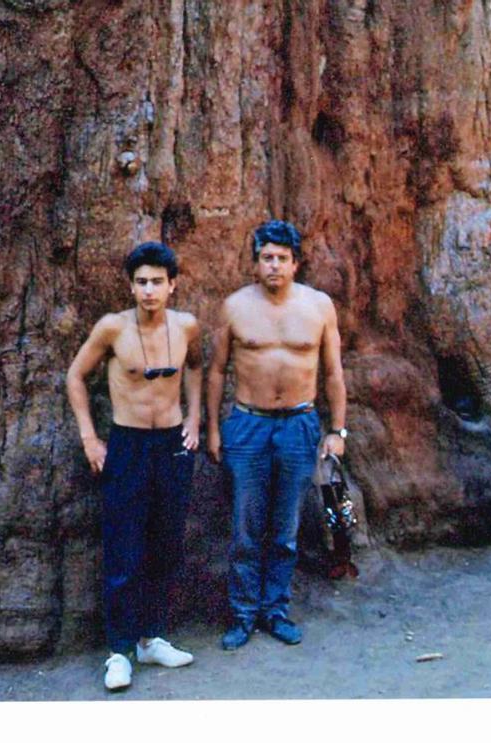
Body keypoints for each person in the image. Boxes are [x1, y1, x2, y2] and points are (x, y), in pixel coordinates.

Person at [66, 241, 203, 691]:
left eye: (157, 282)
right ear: (131, 286)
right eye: (141, 282)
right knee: (123, 549)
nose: (149, 291)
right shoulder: (112, 329)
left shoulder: (186, 327)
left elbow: (198, 368)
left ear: (172, 285)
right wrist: (90, 436)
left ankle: (151, 637)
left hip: (172, 444)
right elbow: (75, 377)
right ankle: (119, 651)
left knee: (165, 544)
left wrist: (196, 417)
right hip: (127, 445)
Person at [205, 219, 348, 650]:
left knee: (285, 527)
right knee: (246, 528)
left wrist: (337, 430)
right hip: (248, 424)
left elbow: (333, 373)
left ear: (295, 263)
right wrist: (213, 428)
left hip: (300, 424)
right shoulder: (235, 307)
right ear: (255, 264)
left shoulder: (319, 306)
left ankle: (275, 610)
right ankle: (243, 614)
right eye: (266, 258)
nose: (274, 266)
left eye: (282, 259)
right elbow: (215, 372)